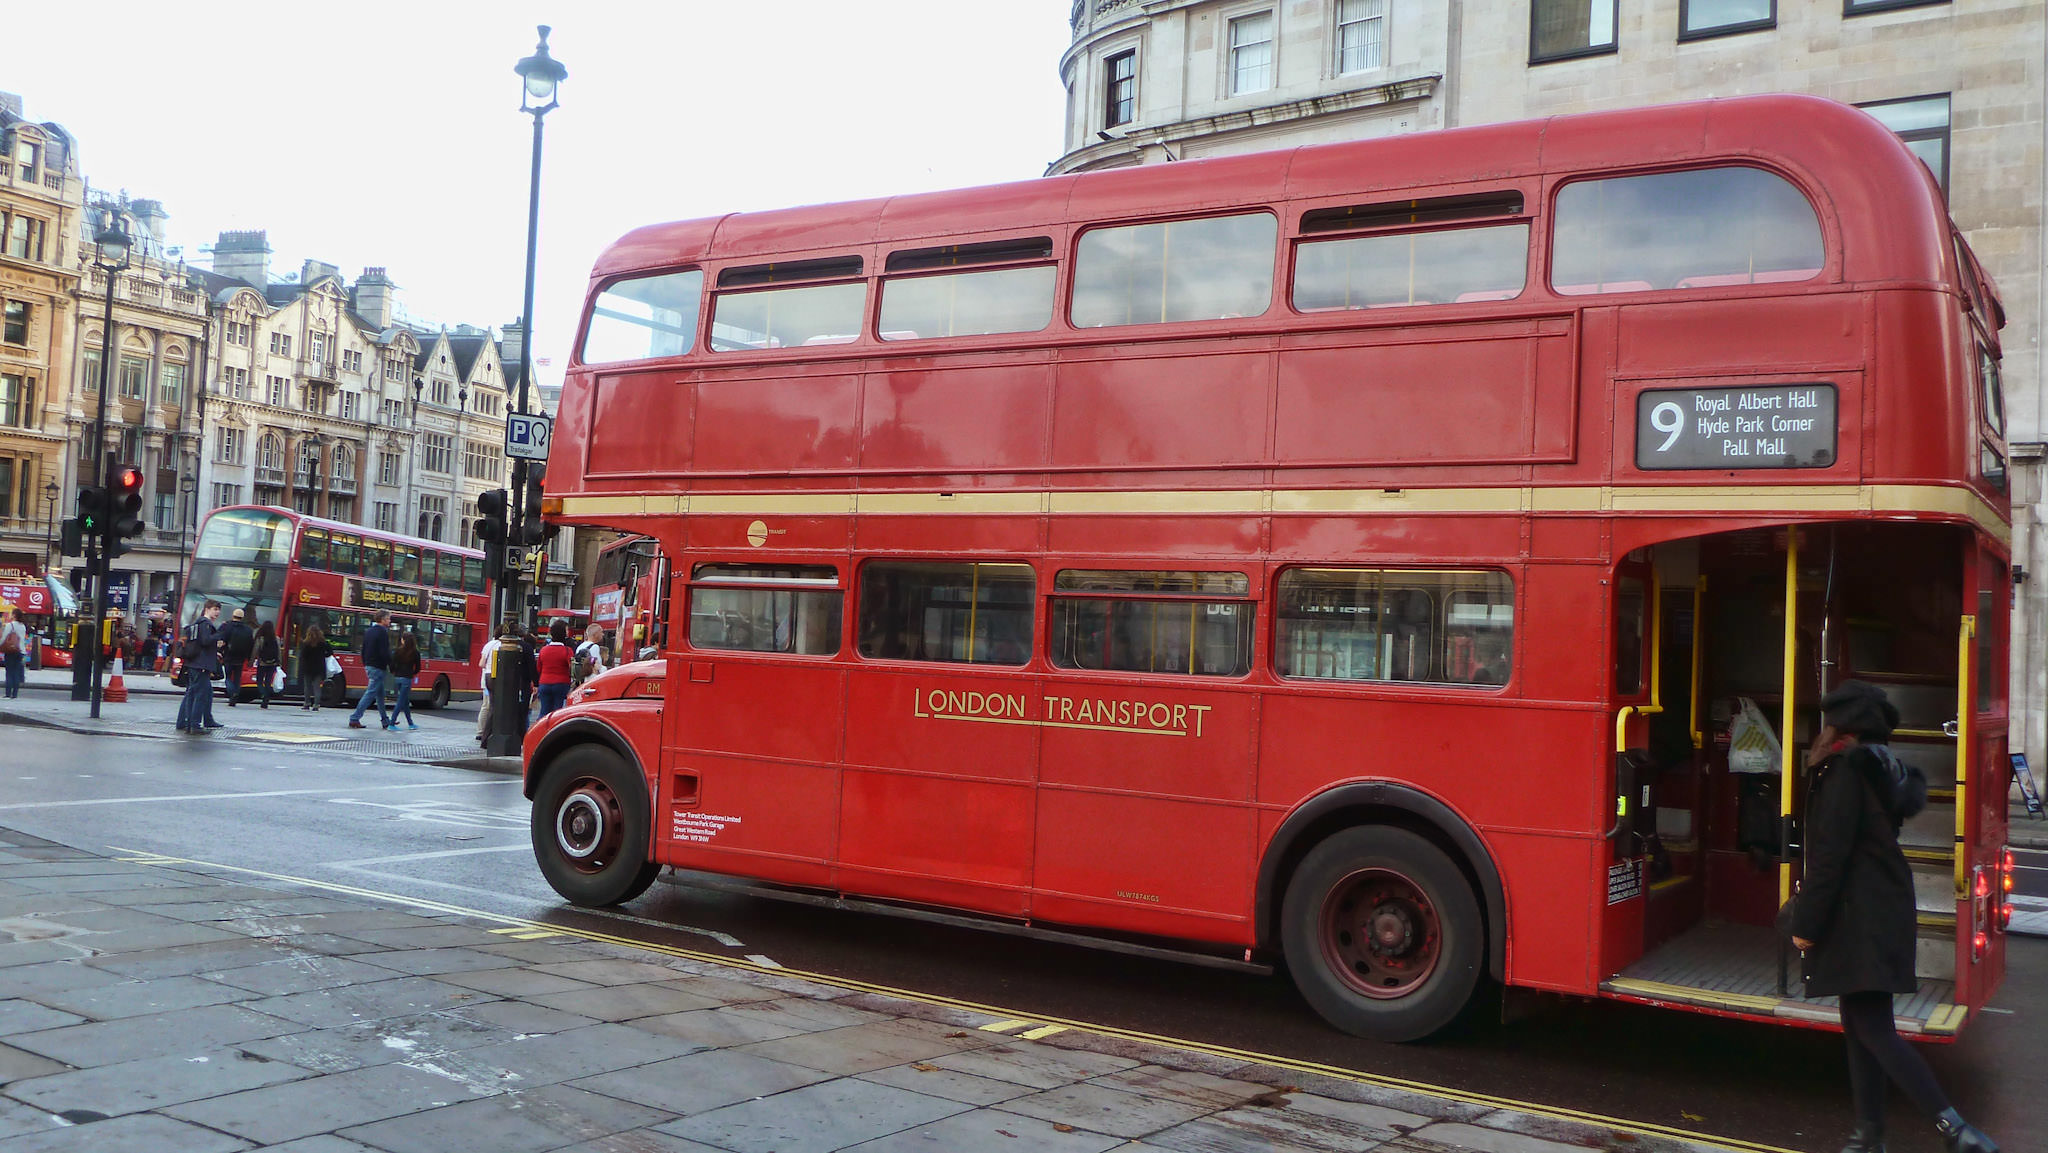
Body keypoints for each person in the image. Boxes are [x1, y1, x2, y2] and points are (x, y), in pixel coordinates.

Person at [1791, 680, 1998, 1153]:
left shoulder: (1843, 771)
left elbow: (1830, 855)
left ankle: (1957, 1132)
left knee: (1874, 1029)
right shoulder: (1883, 766)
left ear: (1839, 725)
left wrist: (1806, 924)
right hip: (1881, 905)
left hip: (1857, 912)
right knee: (1862, 1022)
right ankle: (1869, 1136)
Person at [175, 601, 223, 733]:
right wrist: (219, 635)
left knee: (195, 693)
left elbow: (201, 643)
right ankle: (194, 725)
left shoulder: (198, 623)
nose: (217, 612)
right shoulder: (205, 624)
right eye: (215, 609)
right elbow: (205, 641)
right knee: (199, 695)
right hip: (201, 664)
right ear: (207, 609)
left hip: (195, 663)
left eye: (218, 610)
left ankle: (188, 723)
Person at [348, 610, 394, 730]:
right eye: (389, 618)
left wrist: (365, 663)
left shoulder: (369, 631)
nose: (390, 621)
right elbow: (384, 652)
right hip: (378, 667)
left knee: (380, 695)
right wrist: (391, 664)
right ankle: (355, 718)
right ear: (383, 619)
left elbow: (363, 650)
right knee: (370, 693)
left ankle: (385, 720)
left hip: (369, 664)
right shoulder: (382, 632)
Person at [535, 621, 573, 718]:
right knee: (558, 713)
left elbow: (539, 668)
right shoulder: (567, 650)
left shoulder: (543, 650)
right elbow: (571, 669)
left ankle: (541, 731)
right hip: (561, 683)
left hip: (544, 683)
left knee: (544, 712)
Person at [218, 608, 255, 706]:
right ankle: (235, 695)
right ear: (242, 617)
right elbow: (251, 644)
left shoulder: (226, 626)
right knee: (237, 678)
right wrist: (249, 657)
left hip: (228, 656)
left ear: (233, 615)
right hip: (241, 658)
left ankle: (232, 693)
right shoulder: (248, 629)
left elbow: (219, 638)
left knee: (228, 677)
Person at [389, 630, 421, 732]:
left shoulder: (397, 651)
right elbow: (418, 667)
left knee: (405, 701)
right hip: (407, 678)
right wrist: (412, 673)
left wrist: (394, 672)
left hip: (397, 677)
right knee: (401, 701)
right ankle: (392, 723)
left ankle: (410, 723)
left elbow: (392, 664)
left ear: (403, 640)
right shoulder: (415, 653)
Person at [298, 624, 331, 711]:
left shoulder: (306, 643)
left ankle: (307, 703)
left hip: (308, 668)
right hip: (319, 668)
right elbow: (330, 652)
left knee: (307, 687)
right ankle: (316, 705)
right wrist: (323, 655)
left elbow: (303, 655)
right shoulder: (323, 643)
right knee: (317, 687)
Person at [253, 620, 281, 709]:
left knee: (259, 681)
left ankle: (264, 694)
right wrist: (279, 662)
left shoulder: (260, 638)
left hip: (262, 663)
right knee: (268, 682)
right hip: (273, 663)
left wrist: (251, 661)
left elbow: (255, 651)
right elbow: (279, 651)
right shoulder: (276, 638)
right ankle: (266, 699)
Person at [0, 608, 26, 698]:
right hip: (21, 651)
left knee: (9, 672)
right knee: (16, 672)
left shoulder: (10, 625)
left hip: (11, 651)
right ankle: (15, 694)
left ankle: (8, 693)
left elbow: (4, 638)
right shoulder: (23, 626)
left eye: (12, 613)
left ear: (14, 615)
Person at [573, 623, 607, 688]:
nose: (603, 634)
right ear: (596, 634)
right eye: (601, 632)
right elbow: (598, 666)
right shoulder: (594, 647)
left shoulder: (580, 646)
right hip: (590, 680)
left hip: (581, 679)